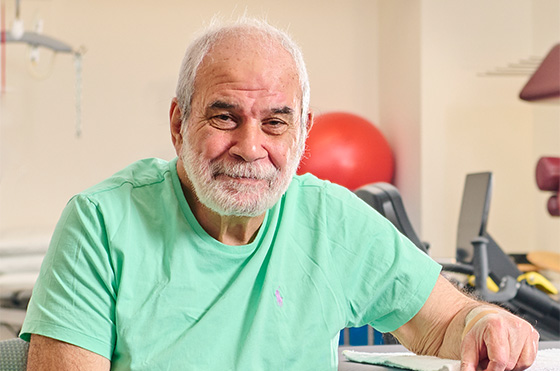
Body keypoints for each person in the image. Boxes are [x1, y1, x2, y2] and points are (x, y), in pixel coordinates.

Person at [21, 18, 539, 370]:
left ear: (303, 133)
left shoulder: (329, 219)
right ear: (179, 123)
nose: (250, 147)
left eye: (275, 122)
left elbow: (447, 322)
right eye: (225, 117)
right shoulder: (100, 223)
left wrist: (486, 321)